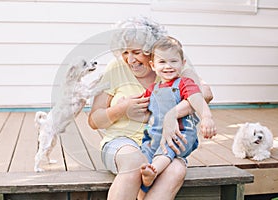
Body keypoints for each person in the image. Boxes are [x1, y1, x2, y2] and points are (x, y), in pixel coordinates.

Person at [88, 17, 215, 200]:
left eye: (137, 52)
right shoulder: (115, 68)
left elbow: (206, 93)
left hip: (164, 144)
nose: (130, 60)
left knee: (176, 169)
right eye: (125, 52)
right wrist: (122, 108)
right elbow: (94, 120)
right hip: (122, 142)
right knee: (134, 163)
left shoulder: (170, 66)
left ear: (152, 51)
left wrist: (171, 115)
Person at [140, 36, 216, 188]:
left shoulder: (184, 83)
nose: (168, 66)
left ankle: (154, 171)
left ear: (183, 63)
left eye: (173, 61)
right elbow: (142, 109)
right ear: (152, 65)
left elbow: (196, 99)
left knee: (167, 149)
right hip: (154, 136)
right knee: (143, 157)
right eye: (162, 62)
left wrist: (206, 117)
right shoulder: (152, 89)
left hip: (180, 134)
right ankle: (145, 181)